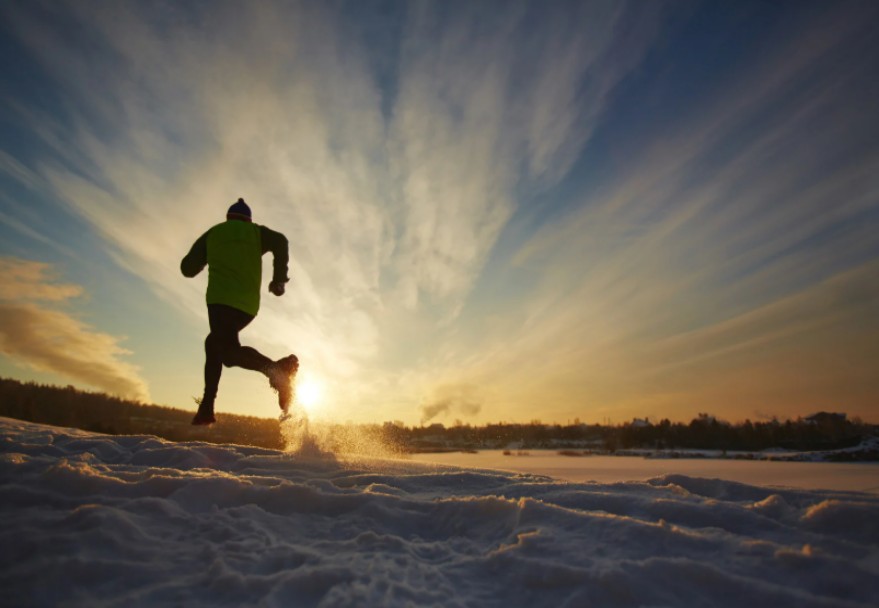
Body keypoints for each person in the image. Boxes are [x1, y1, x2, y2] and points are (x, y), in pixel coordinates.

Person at [181, 198, 298, 425]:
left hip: (219, 303)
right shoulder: (256, 234)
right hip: (247, 307)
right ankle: (206, 408)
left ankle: (276, 370)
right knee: (215, 344)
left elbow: (187, 268)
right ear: (248, 220)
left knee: (226, 352)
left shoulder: (214, 234)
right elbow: (281, 241)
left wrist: (204, 260)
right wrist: (279, 280)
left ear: (228, 218)